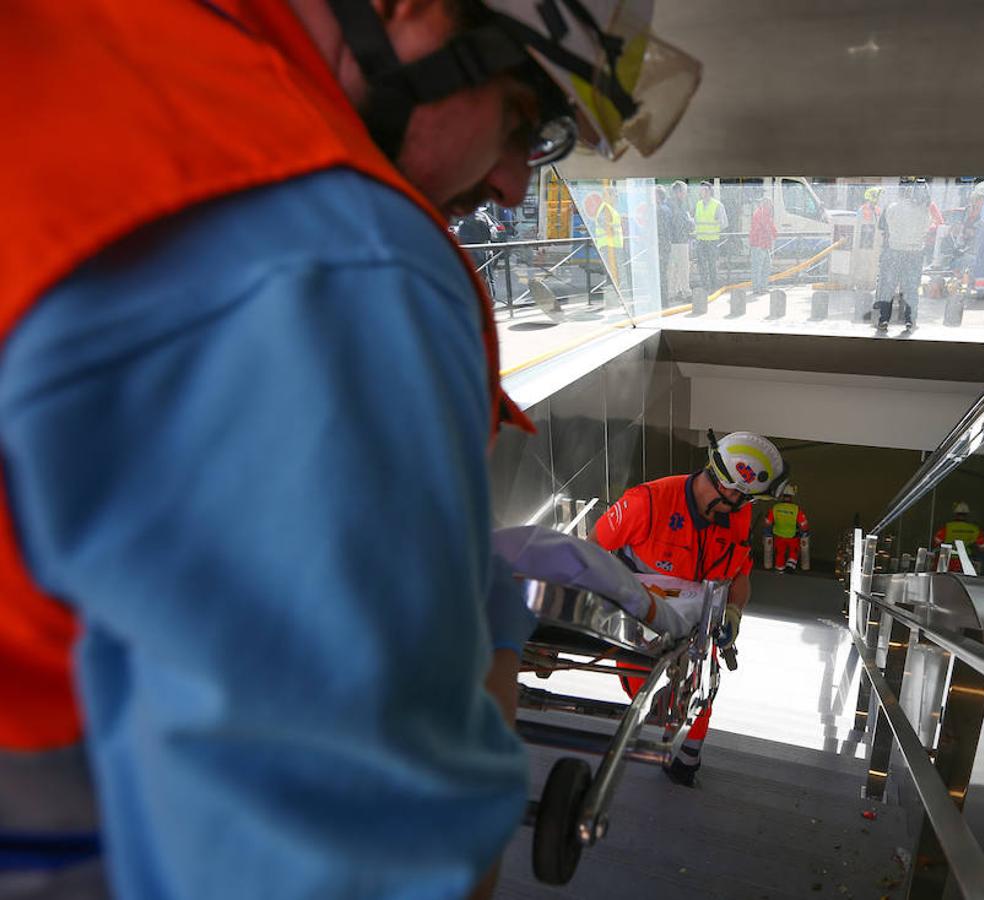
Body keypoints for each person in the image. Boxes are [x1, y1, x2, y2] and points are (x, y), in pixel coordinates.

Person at [0, 2, 701, 897]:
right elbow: (357, 858)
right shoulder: (335, 260)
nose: (519, 185)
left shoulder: (90, 53)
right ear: (408, 11)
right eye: (525, 116)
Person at [590, 430, 790, 786]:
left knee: (699, 691)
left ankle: (686, 762)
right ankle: (659, 731)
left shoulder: (737, 516)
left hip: (698, 622)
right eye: (743, 498)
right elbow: (591, 550)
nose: (746, 506)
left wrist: (734, 612)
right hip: (640, 618)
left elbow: (739, 570)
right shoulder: (646, 503)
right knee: (647, 693)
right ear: (729, 488)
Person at [874, 179, 930, 333]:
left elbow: (883, 228)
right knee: (911, 288)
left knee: (888, 287)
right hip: (915, 254)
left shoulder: (892, 207)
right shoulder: (924, 210)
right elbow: (926, 229)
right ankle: (910, 321)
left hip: (894, 252)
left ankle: (883, 320)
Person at [764, 484, 810, 573]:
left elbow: (767, 522)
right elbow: (803, 524)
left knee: (779, 553)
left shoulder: (775, 508)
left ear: (782, 496)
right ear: (792, 496)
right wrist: (805, 532)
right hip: (792, 536)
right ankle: (790, 566)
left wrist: (768, 532)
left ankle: (779, 569)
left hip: (778, 535)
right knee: (794, 551)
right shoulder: (796, 509)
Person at [933, 502, 984, 573]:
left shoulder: (948, 527)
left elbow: (937, 541)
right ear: (967, 515)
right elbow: (983, 547)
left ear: (955, 514)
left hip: (948, 561)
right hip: (965, 562)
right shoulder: (975, 529)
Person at [694, 180, 729, 294]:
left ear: (710, 191)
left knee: (712, 265)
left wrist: (713, 226)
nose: (702, 191)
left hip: (712, 240)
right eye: (701, 189)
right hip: (700, 240)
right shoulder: (698, 204)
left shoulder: (717, 205)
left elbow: (724, 223)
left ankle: (713, 287)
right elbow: (696, 221)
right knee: (702, 266)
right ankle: (705, 287)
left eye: (704, 189)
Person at [668, 180, 695, 303]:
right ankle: (685, 292)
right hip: (679, 241)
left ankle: (674, 291)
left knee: (675, 268)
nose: (685, 194)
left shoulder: (672, 204)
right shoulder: (677, 206)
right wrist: (690, 222)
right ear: (678, 192)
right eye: (684, 192)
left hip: (675, 241)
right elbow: (684, 223)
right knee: (682, 268)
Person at [852, 186, 884, 290]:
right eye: (877, 196)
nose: (879, 199)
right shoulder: (865, 209)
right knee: (864, 264)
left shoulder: (875, 210)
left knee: (870, 265)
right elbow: (867, 225)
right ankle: (862, 283)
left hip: (871, 244)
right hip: (866, 243)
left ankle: (868, 284)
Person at [595, 184, 625, 289]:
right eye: (615, 195)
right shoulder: (606, 208)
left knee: (613, 273)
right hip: (609, 245)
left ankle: (613, 294)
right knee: (613, 273)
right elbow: (604, 223)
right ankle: (612, 295)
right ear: (609, 196)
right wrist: (612, 230)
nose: (616, 198)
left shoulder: (609, 208)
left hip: (612, 245)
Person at [749, 195, 777, 295]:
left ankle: (762, 287)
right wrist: (773, 234)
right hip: (759, 244)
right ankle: (758, 288)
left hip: (763, 244)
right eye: (770, 204)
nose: (771, 206)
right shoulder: (762, 213)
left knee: (765, 266)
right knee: (760, 267)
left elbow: (770, 226)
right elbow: (766, 227)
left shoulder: (763, 213)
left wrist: (773, 233)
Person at [655, 185, 674, 306]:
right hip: (664, 246)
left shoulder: (660, 210)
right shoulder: (665, 209)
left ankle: (662, 300)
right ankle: (663, 300)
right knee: (662, 273)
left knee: (661, 274)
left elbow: (661, 231)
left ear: (658, 196)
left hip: (661, 247)